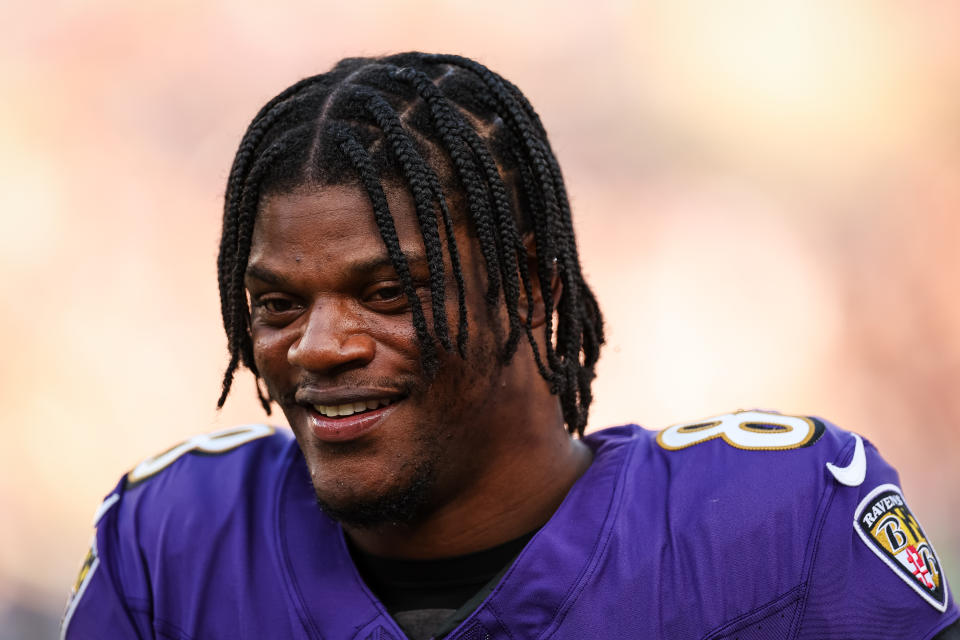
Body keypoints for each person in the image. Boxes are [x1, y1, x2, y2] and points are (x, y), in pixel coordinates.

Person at [61, 52, 958, 640]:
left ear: (529, 288)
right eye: (277, 304)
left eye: (387, 294)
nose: (320, 347)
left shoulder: (770, 528)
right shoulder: (173, 546)